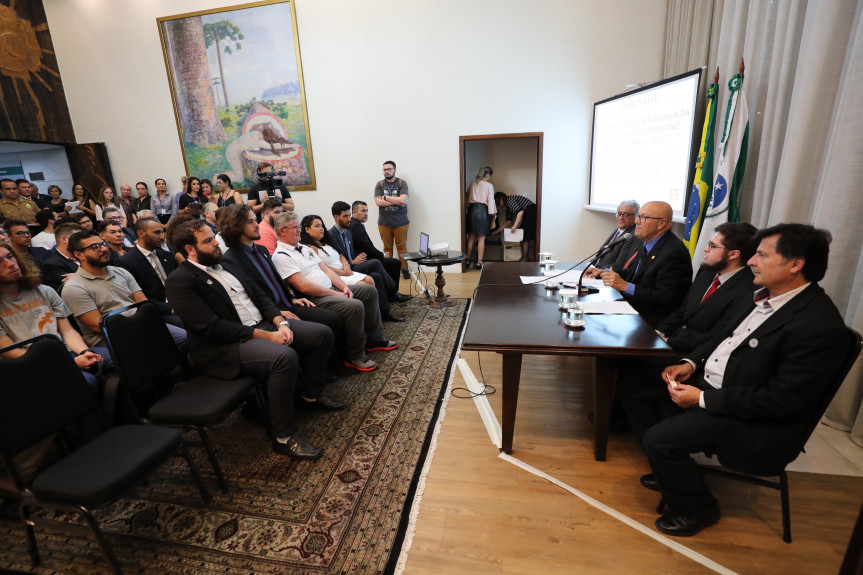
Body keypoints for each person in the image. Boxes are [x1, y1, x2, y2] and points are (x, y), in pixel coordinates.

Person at [640, 223, 851, 537]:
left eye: (762, 255)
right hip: (725, 387)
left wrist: (700, 399)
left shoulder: (818, 326)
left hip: (756, 420)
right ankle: (674, 472)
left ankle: (697, 509)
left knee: (658, 440)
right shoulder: (768, 297)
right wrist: (690, 362)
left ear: (795, 264)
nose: (751, 261)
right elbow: (726, 337)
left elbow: (781, 401)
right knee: (639, 383)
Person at [165, 219, 339, 460]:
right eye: (207, 241)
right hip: (225, 347)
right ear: (189, 249)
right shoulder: (179, 281)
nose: (216, 242)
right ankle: (283, 437)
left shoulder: (224, 264)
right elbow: (213, 327)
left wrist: (280, 321)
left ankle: (310, 395)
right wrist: (267, 335)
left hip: (262, 325)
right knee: (283, 357)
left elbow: (259, 295)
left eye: (213, 236)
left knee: (321, 334)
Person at [616, 222, 758, 441]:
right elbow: (683, 308)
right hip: (677, 341)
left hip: (697, 356)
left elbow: (720, 336)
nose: (705, 249)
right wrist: (660, 331)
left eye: (712, 246)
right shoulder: (707, 271)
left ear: (734, 254)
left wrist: (683, 354)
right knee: (624, 357)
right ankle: (623, 422)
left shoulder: (748, 289)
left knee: (633, 379)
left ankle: (657, 445)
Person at [272, 212, 397, 372]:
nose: (299, 230)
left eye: (298, 226)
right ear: (282, 231)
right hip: (314, 298)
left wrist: (343, 287)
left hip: (330, 289)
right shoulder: (281, 256)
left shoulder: (303, 247)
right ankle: (355, 356)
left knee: (369, 291)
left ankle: (375, 339)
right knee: (355, 305)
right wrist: (336, 294)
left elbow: (326, 270)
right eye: (295, 227)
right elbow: (303, 286)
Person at [215, 204, 344, 345]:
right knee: (325, 328)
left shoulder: (261, 249)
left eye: (255, 220)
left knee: (333, 318)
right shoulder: (231, 260)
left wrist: (290, 298)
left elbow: (275, 281)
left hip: (286, 304)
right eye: (250, 222)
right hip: (272, 313)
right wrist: (278, 313)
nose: (257, 225)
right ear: (236, 226)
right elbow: (253, 295)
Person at [61, 229, 186, 350]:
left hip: (142, 325)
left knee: (186, 337)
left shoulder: (121, 272)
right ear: (79, 255)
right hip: (110, 337)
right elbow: (99, 325)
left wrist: (146, 325)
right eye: (95, 247)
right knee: (153, 348)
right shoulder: (74, 287)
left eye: (104, 244)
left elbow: (144, 305)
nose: (104, 249)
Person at [598, 201, 691, 328]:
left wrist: (625, 286)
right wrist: (605, 273)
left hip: (651, 321)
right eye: (638, 216)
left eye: (644, 218)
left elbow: (667, 298)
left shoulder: (673, 252)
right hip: (632, 310)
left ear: (662, 223)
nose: (637, 221)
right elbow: (633, 272)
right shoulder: (648, 242)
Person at [330, 201, 408, 317]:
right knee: (377, 262)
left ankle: (384, 312)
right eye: (345, 216)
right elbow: (338, 258)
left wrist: (356, 259)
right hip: (346, 268)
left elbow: (353, 252)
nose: (349, 218)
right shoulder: (331, 235)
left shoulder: (347, 231)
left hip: (355, 263)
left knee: (377, 276)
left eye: (349, 215)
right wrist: (352, 261)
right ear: (336, 217)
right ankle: (392, 288)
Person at [349, 200, 402, 287]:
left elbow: (367, 247)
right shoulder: (355, 226)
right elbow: (368, 248)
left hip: (366, 257)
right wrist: (383, 255)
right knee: (395, 263)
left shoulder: (356, 223)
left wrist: (382, 254)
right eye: (363, 211)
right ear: (354, 212)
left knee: (391, 262)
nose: (366, 213)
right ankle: (393, 293)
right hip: (363, 260)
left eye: (367, 210)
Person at [374, 160, 410, 279]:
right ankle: (388, 270)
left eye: (389, 169)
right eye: (384, 169)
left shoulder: (402, 183)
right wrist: (396, 200)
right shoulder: (379, 184)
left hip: (401, 222)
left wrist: (385, 197)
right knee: (387, 248)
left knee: (402, 247)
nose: (387, 172)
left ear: (394, 170)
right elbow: (378, 202)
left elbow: (403, 200)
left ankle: (404, 269)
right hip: (384, 223)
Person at [584, 200, 639, 274]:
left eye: (626, 214)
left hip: (604, 274)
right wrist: (587, 265)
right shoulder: (617, 229)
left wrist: (600, 272)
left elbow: (619, 265)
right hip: (595, 268)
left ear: (636, 216)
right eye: (619, 214)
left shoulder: (631, 236)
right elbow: (601, 254)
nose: (621, 218)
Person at [465, 167, 496, 269]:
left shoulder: (472, 184)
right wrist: (492, 215)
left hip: (472, 211)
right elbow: (491, 201)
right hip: (482, 211)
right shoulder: (489, 186)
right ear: (487, 175)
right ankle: (479, 262)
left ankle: (467, 260)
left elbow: (466, 198)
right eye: (490, 176)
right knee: (481, 238)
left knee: (471, 238)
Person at [491, 191, 537, 262]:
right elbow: (508, 222)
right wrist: (497, 231)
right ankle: (524, 257)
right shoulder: (508, 206)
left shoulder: (510, 200)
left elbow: (521, 212)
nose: (498, 205)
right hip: (529, 213)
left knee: (525, 236)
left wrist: (514, 226)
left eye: (498, 202)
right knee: (522, 236)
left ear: (501, 199)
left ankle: (525, 258)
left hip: (532, 211)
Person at [42, 221, 82, 293]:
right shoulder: (52, 264)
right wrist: (82, 278)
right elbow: (75, 289)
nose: (82, 241)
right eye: (78, 238)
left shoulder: (84, 255)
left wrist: (78, 277)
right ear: (63, 239)